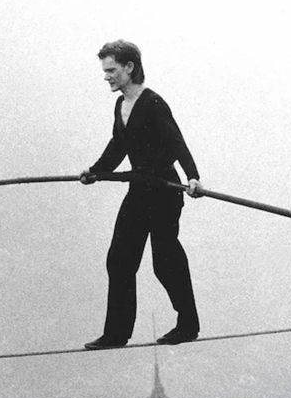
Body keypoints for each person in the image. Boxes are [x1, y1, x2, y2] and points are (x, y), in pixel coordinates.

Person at [80, 40, 203, 350]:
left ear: (129, 68)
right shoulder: (121, 105)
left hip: (163, 190)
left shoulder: (153, 103)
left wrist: (193, 177)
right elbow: (117, 147)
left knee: (165, 260)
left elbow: (176, 142)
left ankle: (187, 325)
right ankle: (116, 334)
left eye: (111, 70)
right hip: (138, 190)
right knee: (119, 260)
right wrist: (95, 171)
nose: (106, 76)